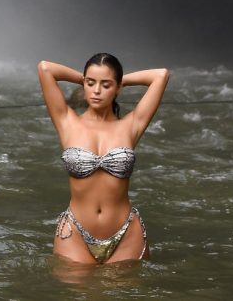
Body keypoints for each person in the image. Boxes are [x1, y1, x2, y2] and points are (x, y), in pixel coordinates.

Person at [37, 53, 169, 265]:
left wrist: (118, 80)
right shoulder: (67, 122)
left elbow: (160, 76)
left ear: (118, 88)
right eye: (90, 83)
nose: (96, 91)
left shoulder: (130, 125)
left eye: (106, 85)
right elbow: (45, 69)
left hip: (126, 233)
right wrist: (91, 77)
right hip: (75, 233)